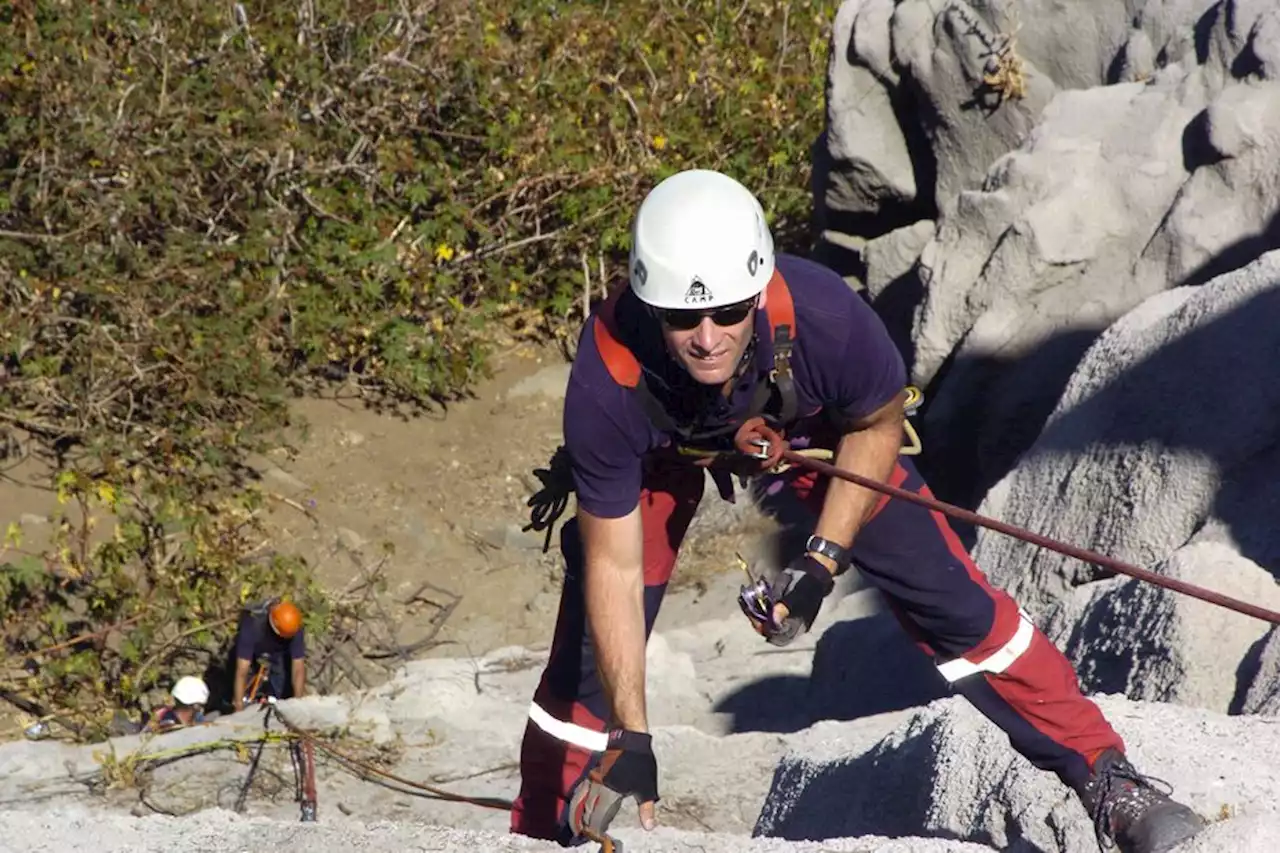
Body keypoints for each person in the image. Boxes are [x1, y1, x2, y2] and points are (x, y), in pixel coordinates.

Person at [509, 169, 1206, 853]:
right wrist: (633, 733)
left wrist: (820, 563)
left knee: (949, 597)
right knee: (587, 657)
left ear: (757, 291)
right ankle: (541, 828)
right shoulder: (609, 375)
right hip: (662, 454)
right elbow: (615, 564)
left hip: (808, 436)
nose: (707, 335)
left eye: (727, 311)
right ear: (649, 305)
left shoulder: (824, 319)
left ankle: (1107, 777)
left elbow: (873, 426)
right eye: (683, 317)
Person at [231, 597, 307, 711]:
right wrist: (238, 706)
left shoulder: (293, 626)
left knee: (280, 679)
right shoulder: (251, 625)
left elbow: (298, 669)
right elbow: (242, 670)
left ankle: (275, 700)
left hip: (279, 653)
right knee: (243, 684)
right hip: (254, 646)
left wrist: (299, 706)